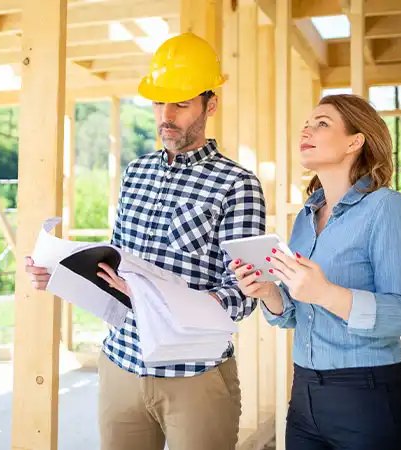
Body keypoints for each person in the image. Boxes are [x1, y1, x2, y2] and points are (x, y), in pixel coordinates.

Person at [24, 32, 267, 450]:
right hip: (121, 365)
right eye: (158, 102)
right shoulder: (136, 174)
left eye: (181, 103)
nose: (165, 115)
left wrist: (160, 298)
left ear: (211, 104)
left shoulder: (237, 185)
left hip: (196, 378)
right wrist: (65, 276)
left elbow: (244, 296)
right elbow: (117, 268)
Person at [231, 94, 401, 449]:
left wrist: (325, 293)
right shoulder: (305, 219)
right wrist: (268, 293)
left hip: (369, 398)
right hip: (304, 395)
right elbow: (294, 314)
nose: (307, 130)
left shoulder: (387, 208)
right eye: (307, 123)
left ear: (355, 140)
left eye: (322, 123)